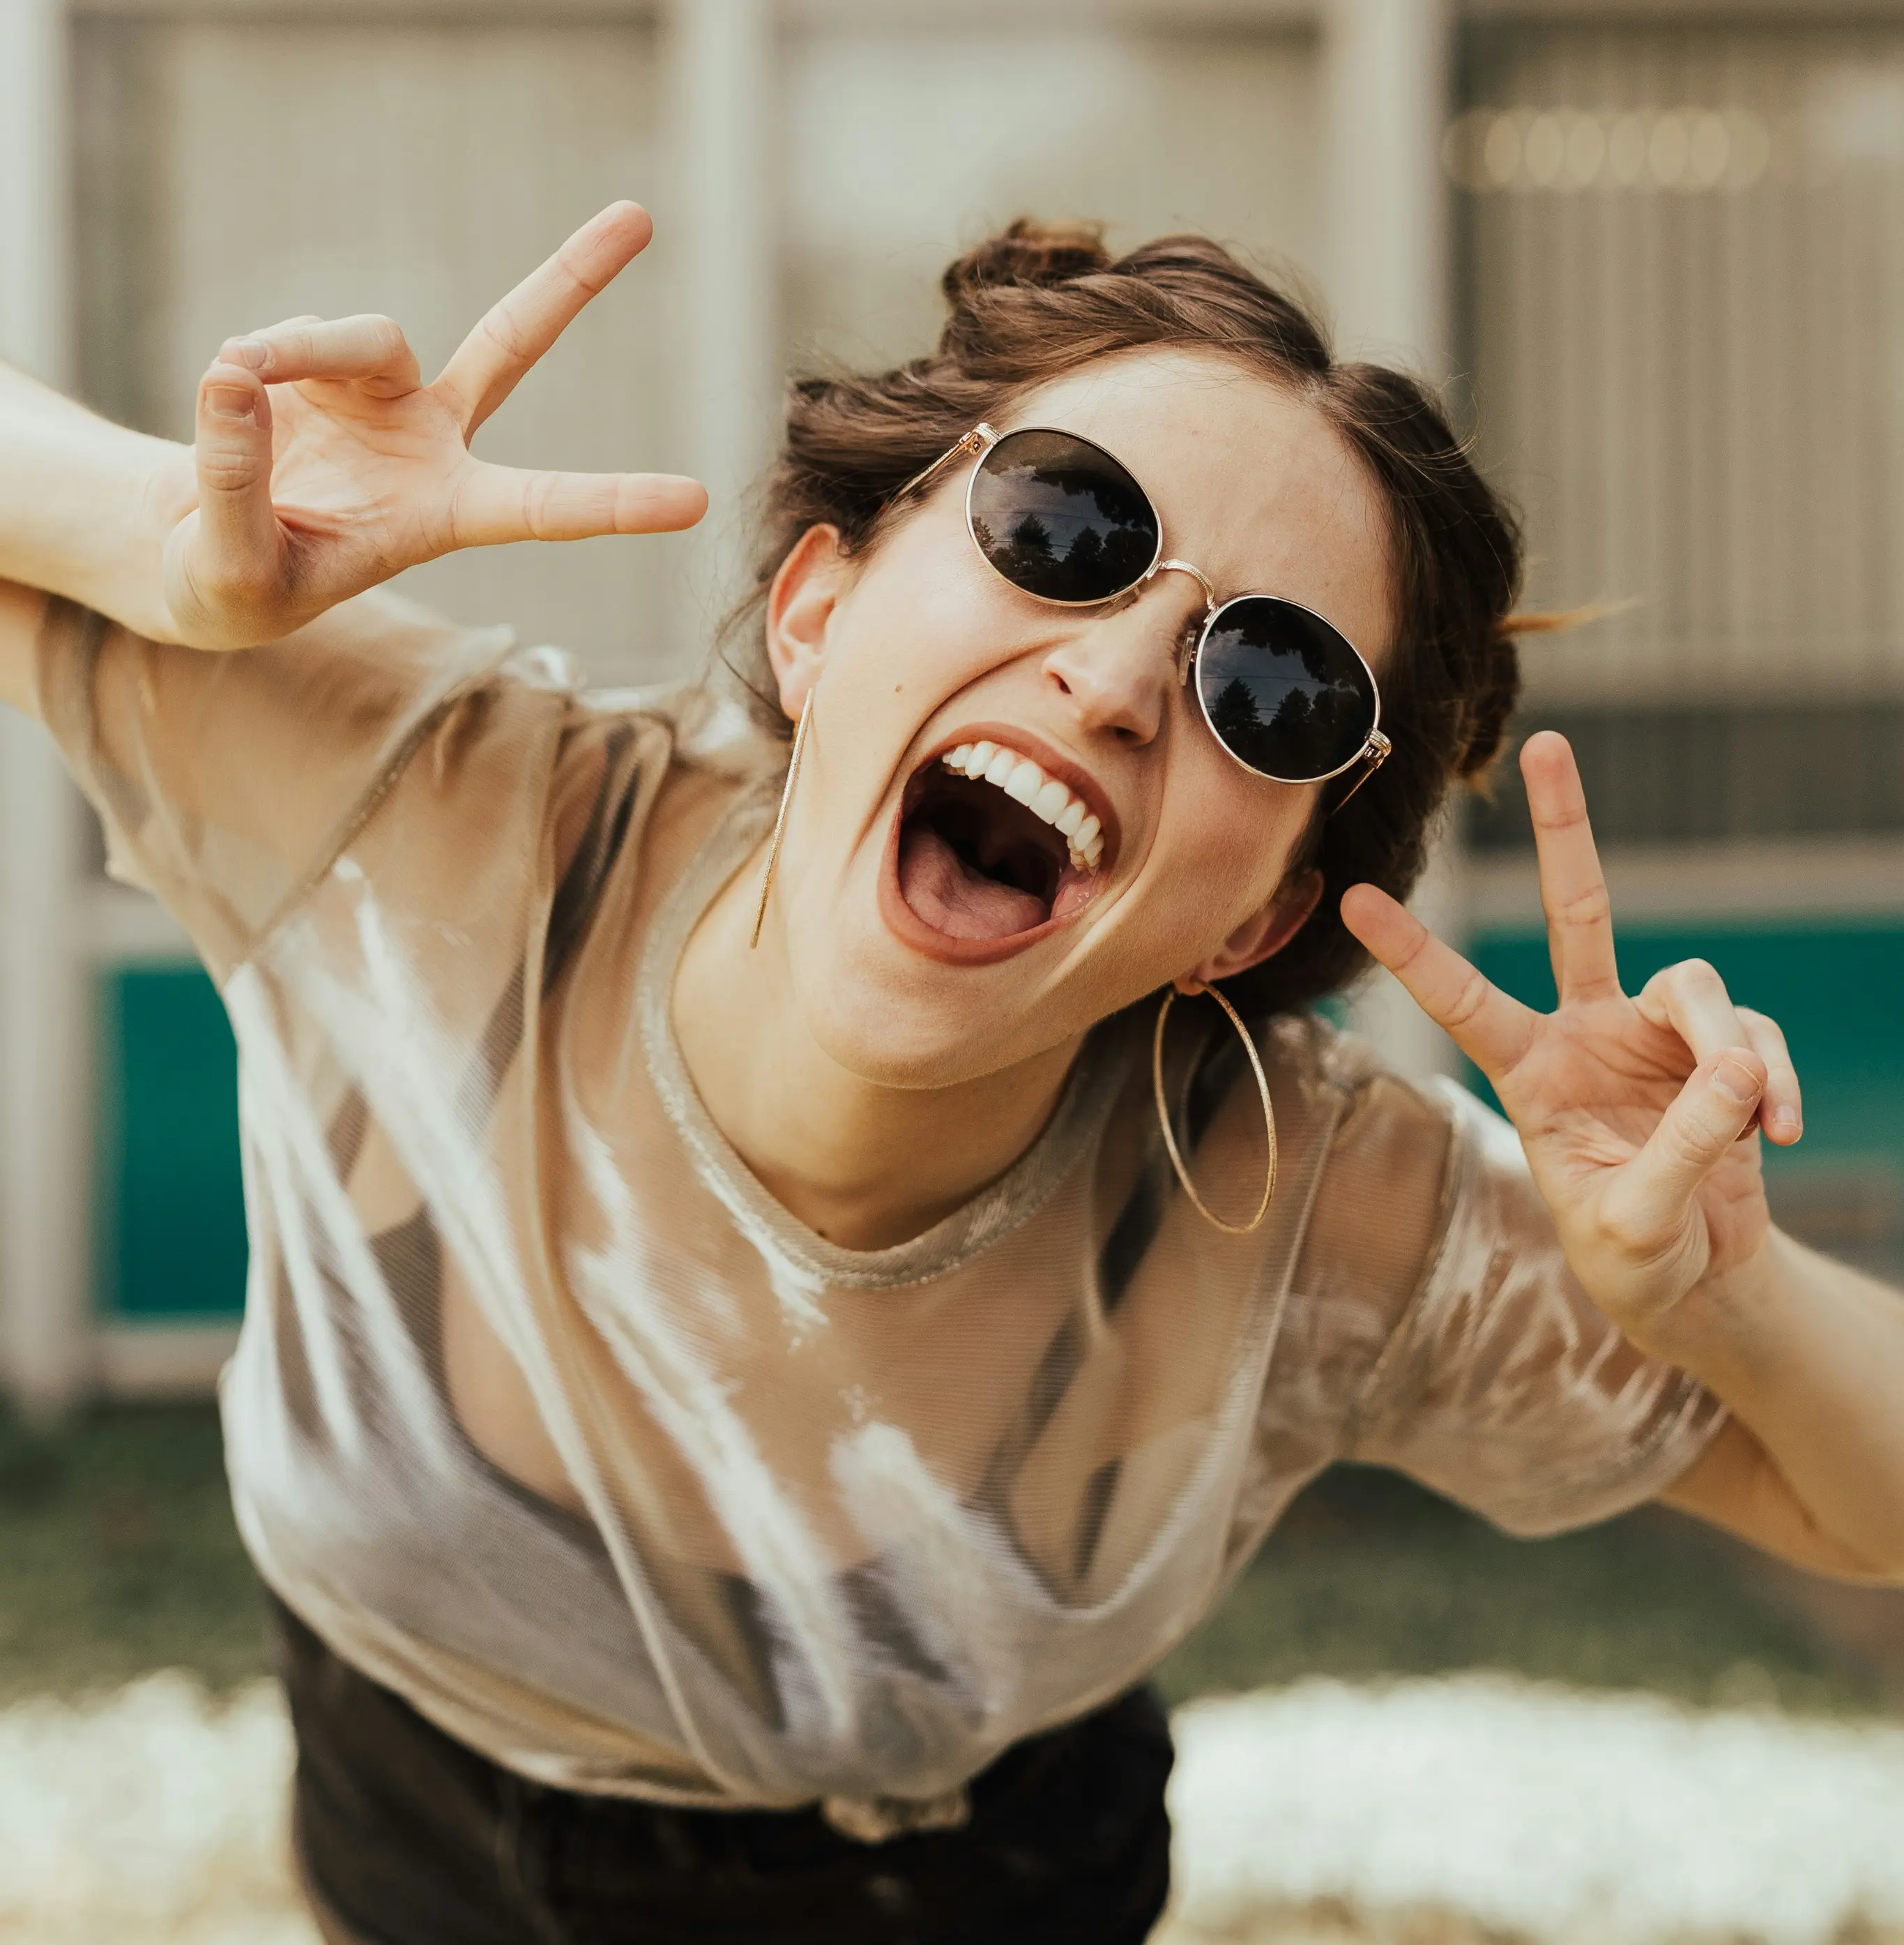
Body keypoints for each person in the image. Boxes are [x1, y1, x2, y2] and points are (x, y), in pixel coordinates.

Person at [1, 201, 1900, 1945]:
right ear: (820, 616)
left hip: (976, 1887)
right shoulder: (428, 815)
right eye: (1068, 529)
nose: (1120, 677)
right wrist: (150, 539)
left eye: (1273, 689)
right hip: (414, 1820)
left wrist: (1730, 1297)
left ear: (1253, 919)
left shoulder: (1298, 1201)